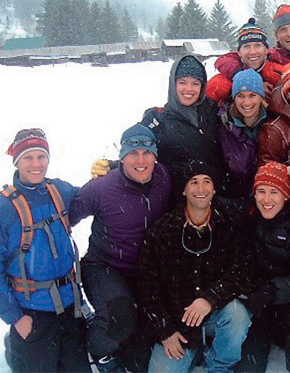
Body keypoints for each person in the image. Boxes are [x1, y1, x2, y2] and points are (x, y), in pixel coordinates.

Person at [0, 128, 90, 372]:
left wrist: (113, 170)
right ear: (17, 162)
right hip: (32, 315)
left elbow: (90, 198)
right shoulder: (1, 210)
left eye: (41, 156)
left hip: (70, 310)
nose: (36, 164)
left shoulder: (59, 191)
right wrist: (15, 317)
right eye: (28, 158)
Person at [70, 124, 171, 372]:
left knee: (141, 361)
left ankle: (115, 334)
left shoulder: (165, 177)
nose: (140, 160)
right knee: (121, 317)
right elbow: (65, 220)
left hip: (145, 270)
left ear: (155, 156)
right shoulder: (101, 188)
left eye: (147, 153)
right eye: (132, 154)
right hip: (104, 266)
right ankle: (98, 350)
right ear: (122, 156)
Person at [137, 162, 252, 372]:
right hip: (177, 324)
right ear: (183, 189)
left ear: (214, 188)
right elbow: (147, 286)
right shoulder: (162, 230)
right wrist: (165, 331)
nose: (201, 189)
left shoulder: (228, 225)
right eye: (194, 182)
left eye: (207, 182)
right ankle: (191, 351)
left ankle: (219, 366)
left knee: (238, 315)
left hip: (215, 315)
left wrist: (210, 298)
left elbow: (241, 272)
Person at [94, 55, 226, 199]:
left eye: (195, 83)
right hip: (177, 201)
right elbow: (139, 150)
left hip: (217, 196)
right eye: (182, 82)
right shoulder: (158, 120)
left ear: (202, 86)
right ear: (172, 84)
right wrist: (114, 167)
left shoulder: (215, 112)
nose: (189, 89)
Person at [238, 162, 290, 372]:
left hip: (288, 302)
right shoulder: (247, 219)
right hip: (256, 304)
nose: (267, 200)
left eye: (274, 192)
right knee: (249, 363)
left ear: (285, 195)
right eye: (261, 192)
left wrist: (273, 291)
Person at [217, 68, 267, 198]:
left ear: (261, 97)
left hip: (266, 198)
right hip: (233, 198)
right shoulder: (223, 125)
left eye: (252, 95)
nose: (246, 102)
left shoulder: (272, 123)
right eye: (240, 96)